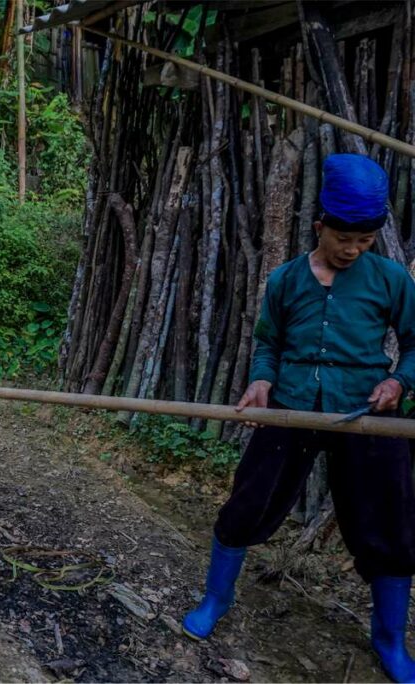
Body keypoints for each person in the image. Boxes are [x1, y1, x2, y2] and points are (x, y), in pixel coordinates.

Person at [181, 154, 415, 683]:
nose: (353, 249)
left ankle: (389, 641)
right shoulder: (286, 281)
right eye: (343, 238)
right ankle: (215, 600)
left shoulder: (392, 280)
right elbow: (268, 343)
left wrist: (398, 381)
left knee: (389, 524)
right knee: (248, 502)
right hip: (290, 409)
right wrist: (262, 381)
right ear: (320, 226)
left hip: (367, 415)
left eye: (365, 241)